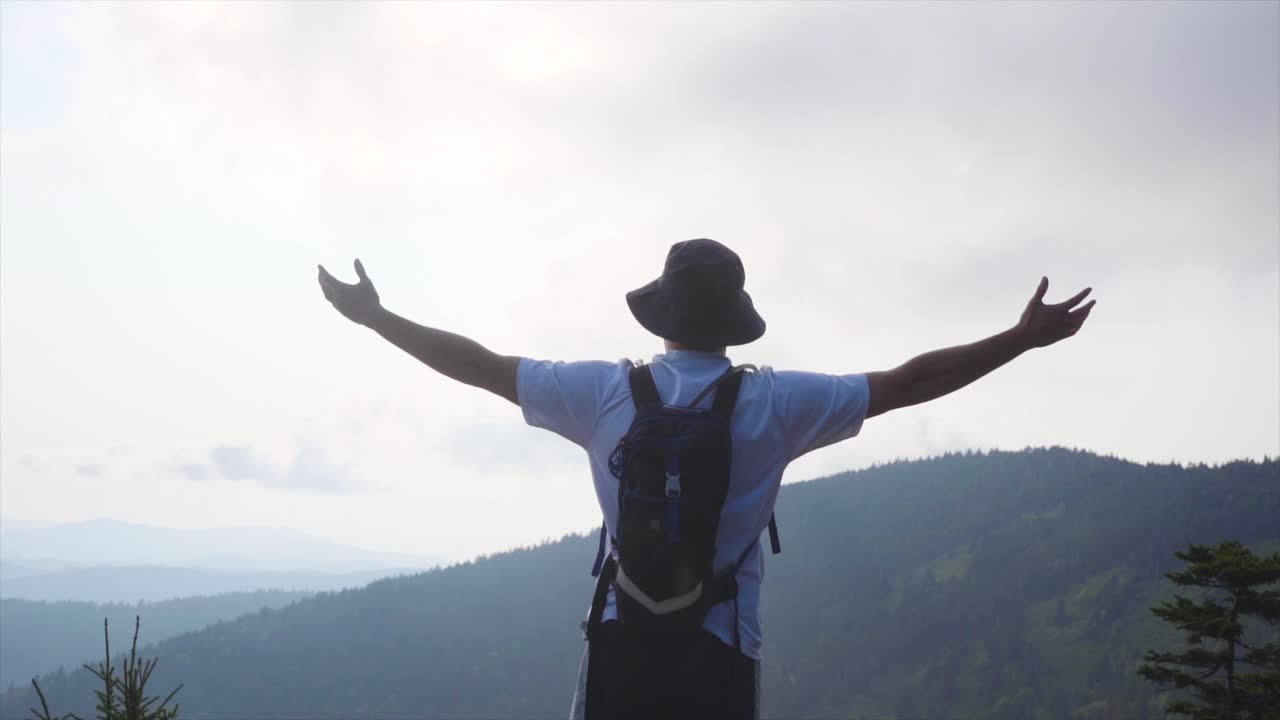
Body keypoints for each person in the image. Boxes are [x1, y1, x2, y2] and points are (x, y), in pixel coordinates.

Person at [317, 238, 1095, 720]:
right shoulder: (777, 402)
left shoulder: (600, 392)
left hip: (622, 636)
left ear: (662, 314)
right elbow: (906, 383)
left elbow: (479, 365)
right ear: (733, 320)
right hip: (721, 642)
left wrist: (378, 318)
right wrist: (1020, 340)